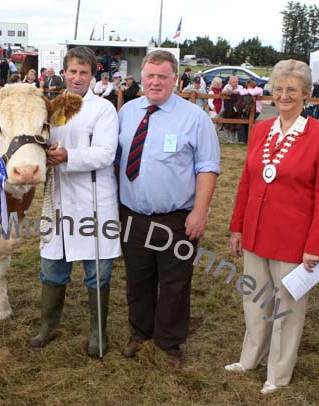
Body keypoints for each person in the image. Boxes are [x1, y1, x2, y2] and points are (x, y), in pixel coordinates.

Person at [226, 59, 319, 395]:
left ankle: (278, 373)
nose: (284, 95)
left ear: (306, 93)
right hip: (256, 233)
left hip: (294, 240)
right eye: (279, 88)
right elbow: (246, 182)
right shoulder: (261, 130)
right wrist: (237, 227)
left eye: (292, 89)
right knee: (254, 300)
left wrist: (316, 246)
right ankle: (250, 358)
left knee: (287, 309)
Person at [116, 50, 220, 368]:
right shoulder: (127, 112)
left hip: (177, 218)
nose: (156, 82)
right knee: (138, 278)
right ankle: (140, 332)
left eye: (163, 76)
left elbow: (207, 167)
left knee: (175, 282)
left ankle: (169, 342)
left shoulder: (195, 118)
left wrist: (199, 212)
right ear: (142, 77)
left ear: (175, 79)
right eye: (150, 76)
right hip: (132, 213)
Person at [29, 46, 120, 357]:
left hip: (93, 199)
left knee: (98, 269)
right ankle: (48, 325)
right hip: (57, 196)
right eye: (73, 71)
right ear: (64, 72)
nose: (78, 77)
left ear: (92, 74)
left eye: (84, 72)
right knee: (53, 265)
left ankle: (98, 334)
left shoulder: (104, 109)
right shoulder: (51, 108)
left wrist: (68, 155)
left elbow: (106, 153)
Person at [236, 79, 264, 144]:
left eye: (249, 85)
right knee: (244, 123)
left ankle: (245, 140)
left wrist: (247, 90)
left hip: (256, 110)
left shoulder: (259, 89)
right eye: (247, 85)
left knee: (247, 123)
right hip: (247, 110)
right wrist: (247, 90)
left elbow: (253, 92)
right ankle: (243, 140)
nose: (248, 86)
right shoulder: (247, 90)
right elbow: (241, 92)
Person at [222, 76, 244, 144]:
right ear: (230, 82)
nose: (235, 83)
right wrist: (228, 92)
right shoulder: (227, 86)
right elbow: (223, 92)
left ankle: (233, 140)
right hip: (228, 107)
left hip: (236, 108)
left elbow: (240, 92)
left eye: (236, 82)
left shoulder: (240, 87)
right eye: (234, 82)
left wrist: (231, 91)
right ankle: (229, 139)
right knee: (227, 123)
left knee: (235, 124)